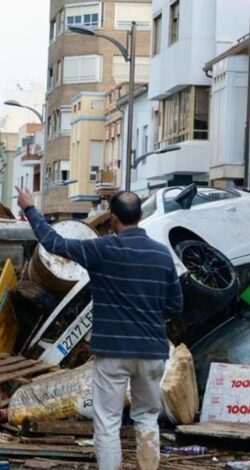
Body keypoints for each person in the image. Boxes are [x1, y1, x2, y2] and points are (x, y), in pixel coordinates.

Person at [16, 187, 183, 470]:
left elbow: (53, 242)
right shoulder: (161, 255)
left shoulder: (100, 249)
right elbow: (175, 306)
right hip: (152, 350)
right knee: (146, 417)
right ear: (141, 215)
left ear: (113, 219)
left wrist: (30, 209)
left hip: (113, 352)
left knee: (107, 421)